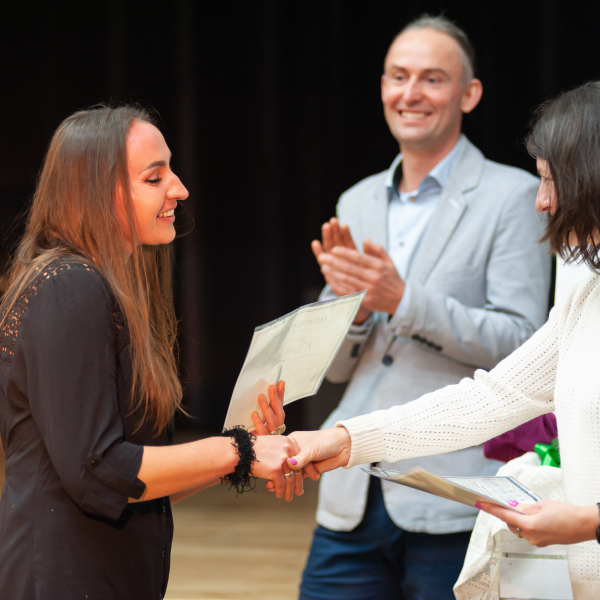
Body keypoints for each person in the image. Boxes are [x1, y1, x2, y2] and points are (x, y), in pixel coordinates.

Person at [287, 80, 600, 600]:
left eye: (552, 181)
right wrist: (346, 440)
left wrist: (592, 522)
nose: (542, 202)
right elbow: (495, 395)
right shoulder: (583, 284)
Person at [0, 105, 304, 600]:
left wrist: (242, 450)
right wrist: (240, 450)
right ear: (96, 191)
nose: (179, 189)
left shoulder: (97, 287)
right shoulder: (68, 287)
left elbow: (135, 484)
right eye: (154, 177)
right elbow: (99, 472)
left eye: (171, 171)